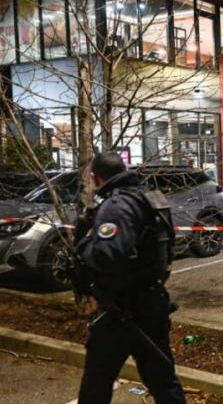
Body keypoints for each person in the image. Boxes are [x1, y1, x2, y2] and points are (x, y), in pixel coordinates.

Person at [72, 152, 185, 404]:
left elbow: (108, 256)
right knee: (163, 382)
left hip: (121, 312)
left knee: (95, 386)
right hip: (149, 303)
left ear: (95, 177)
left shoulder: (117, 205)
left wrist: (83, 244)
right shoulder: (146, 198)